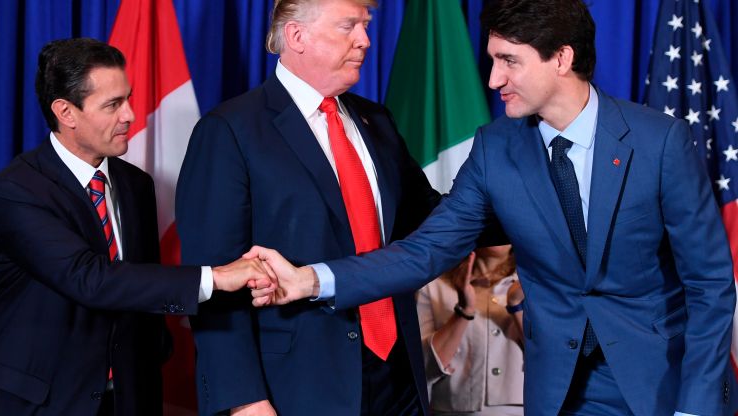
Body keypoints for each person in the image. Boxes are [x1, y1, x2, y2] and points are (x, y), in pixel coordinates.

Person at [246, 0, 737, 415]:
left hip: (662, 383)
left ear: (561, 58)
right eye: (492, 60)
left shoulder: (659, 142)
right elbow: (426, 251)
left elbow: (710, 285)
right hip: (559, 389)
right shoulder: (494, 148)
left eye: (509, 61)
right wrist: (311, 280)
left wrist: (694, 405)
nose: (494, 78)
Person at [0, 38, 271, 416]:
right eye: (113, 105)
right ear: (66, 112)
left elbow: (142, 288)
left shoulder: (136, 184)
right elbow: (89, 279)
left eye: (128, 98)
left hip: (124, 398)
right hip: (36, 403)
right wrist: (215, 278)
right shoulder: (17, 191)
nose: (131, 115)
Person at [175, 0, 442, 414]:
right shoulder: (230, 130)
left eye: (366, 26)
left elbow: (432, 221)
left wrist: (520, 198)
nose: (365, 40)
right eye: (348, 26)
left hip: (398, 377)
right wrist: (243, 400)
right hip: (298, 386)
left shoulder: (378, 121)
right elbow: (213, 279)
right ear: (297, 36)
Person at [417, 246, 524, 415]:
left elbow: (553, 359)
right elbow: (421, 367)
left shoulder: (533, 283)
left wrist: (516, 305)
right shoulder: (433, 285)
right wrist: (463, 311)